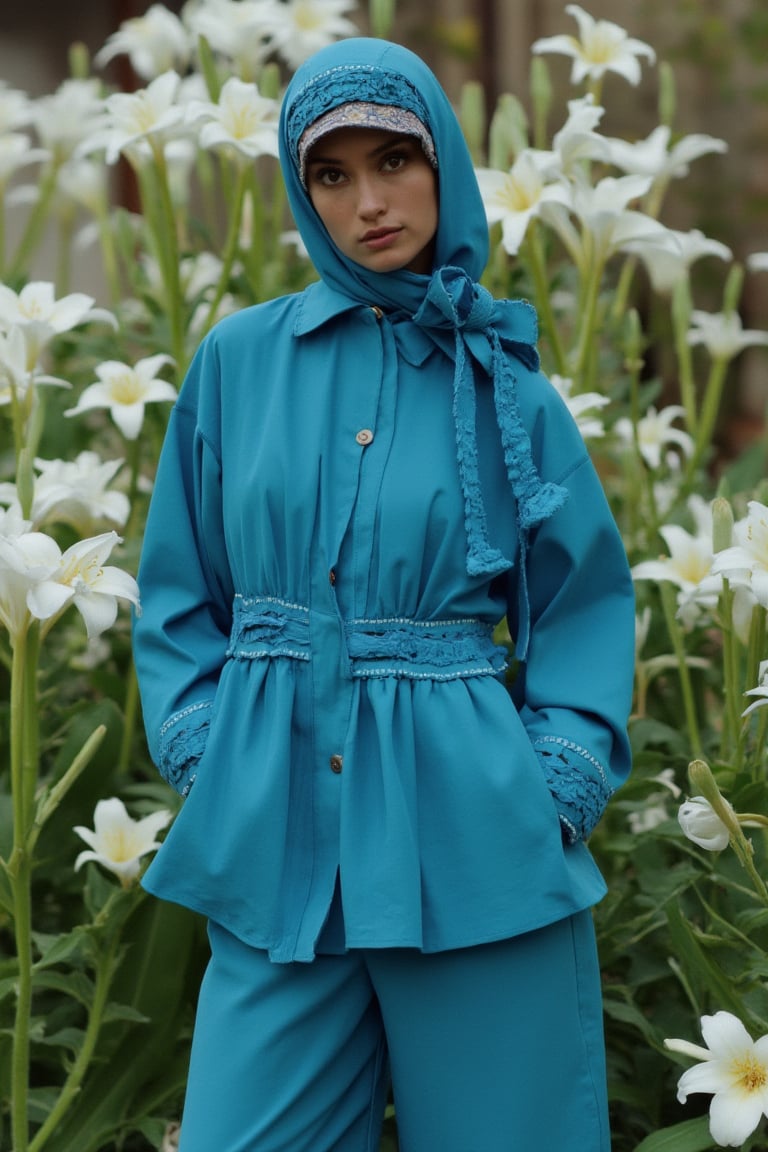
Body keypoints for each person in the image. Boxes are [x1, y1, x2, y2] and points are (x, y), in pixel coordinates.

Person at [133, 35, 635, 1152]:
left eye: (393, 160)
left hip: (477, 843)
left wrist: (555, 784)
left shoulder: (506, 385)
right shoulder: (235, 363)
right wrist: (204, 744)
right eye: (332, 173)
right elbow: (178, 590)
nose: (369, 201)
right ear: (301, 189)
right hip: (276, 831)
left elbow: (582, 603)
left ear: (442, 162)